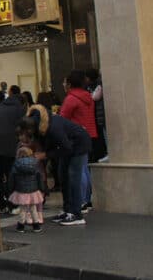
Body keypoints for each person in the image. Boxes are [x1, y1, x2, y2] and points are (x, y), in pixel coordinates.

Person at [23, 104, 91, 226]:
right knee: (63, 176)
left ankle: (77, 214)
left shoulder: (53, 126)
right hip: (68, 147)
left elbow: (67, 148)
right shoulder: (40, 125)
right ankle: (68, 210)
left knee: (73, 178)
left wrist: (45, 155)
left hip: (79, 144)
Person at [60, 70, 97, 213]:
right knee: (84, 169)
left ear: (69, 83)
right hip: (88, 134)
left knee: (76, 171)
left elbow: (63, 118)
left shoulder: (71, 98)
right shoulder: (87, 97)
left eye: (65, 82)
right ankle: (86, 199)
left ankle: (79, 201)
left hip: (75, 137)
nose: (63, 84)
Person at [0, 85, 25, 214]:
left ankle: (0, 204)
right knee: (12, 176)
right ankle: (13, 204)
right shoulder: (18, 109)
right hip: (11, 147)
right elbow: (22, 127)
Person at [8, 146, 46, 233]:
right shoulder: (35, 164)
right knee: (33, 208)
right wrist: (42, 188)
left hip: (21, 191)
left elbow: (11, 178)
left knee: (23, 209)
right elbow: (39, 177)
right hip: (33, 191)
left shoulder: (16, 164)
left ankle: (21, 226)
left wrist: (10, 188)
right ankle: (36, 225)